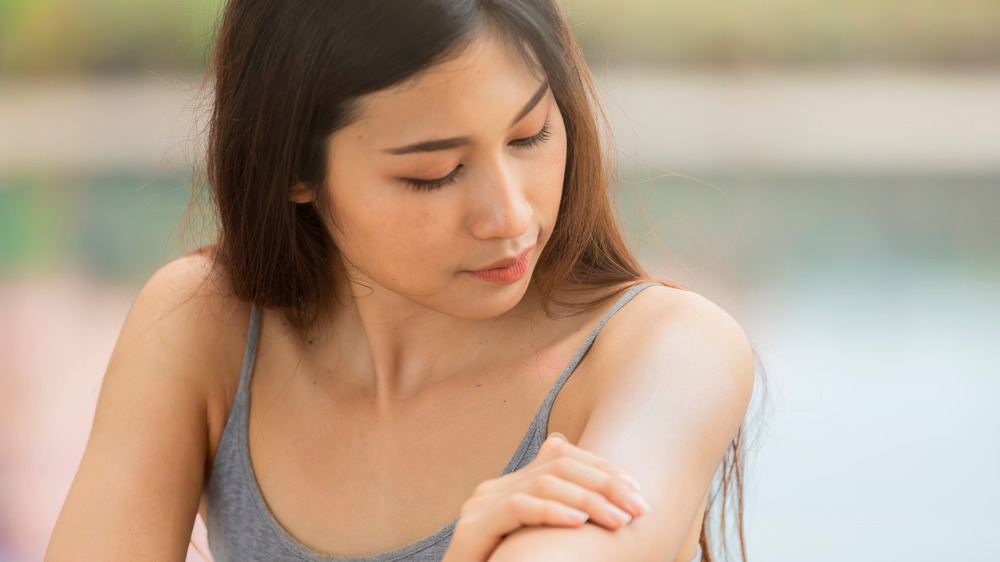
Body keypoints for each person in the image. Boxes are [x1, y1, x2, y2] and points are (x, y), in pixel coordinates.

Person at [46, 1, 755, 561]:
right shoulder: (203, 324)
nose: (509, 215)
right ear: (292, 168)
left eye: (531, 134)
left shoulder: (666, 353)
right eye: (433, 173)